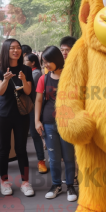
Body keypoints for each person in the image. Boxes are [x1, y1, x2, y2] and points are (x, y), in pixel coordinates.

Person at [35, 46, 77, 202]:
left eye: (48, 61)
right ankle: (56, 185)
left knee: (68, 156)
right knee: (53, 157)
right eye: (44, 62)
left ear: (57, 59)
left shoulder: (70, 76)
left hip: (67, 123)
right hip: (49, 122)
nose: (46, 65)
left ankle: (70, 185)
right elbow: (39, 100)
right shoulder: (43, 78)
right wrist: (37, 121)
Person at [0, 39, 34, 196]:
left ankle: (25, 182)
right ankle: (4, 182)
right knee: (4, 150)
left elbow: (29, 92)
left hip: (21, 114)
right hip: (3, 115)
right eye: (12, 48)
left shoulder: (26, 69)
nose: (16, 51)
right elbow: (0, 92)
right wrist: (6, 79)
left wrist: (23, 80)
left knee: (21, 149)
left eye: (18, 48)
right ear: (6, 50)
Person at [24, 53, 47, 173]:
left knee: (34, 133)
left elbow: (34, 93)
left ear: (33, 62)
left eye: (25, 60)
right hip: (22, 106)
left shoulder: (35, 73)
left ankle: (41, 160)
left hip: (31, 106)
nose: (23, 61)